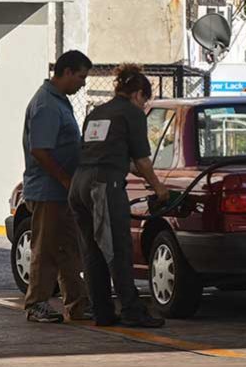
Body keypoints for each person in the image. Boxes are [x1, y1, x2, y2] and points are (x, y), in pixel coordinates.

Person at [69, 64, 168, 328]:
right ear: (137, 94)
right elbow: (142, 161)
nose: (143, 105)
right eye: (144, 100)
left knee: (92, 250)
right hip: (103, 185)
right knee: (117, 248)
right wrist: (159, 188)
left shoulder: (98, 112)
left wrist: (142, 172)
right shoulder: (132, 114)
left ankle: (102, 311)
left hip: (79, 184)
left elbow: (115, 156)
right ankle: (133, 311)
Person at [23, 50, 93, 323]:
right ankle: (36, 304)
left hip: (61, 192)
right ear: (66, 72)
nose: (83, 83)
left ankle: (77, 303)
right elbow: (40, 150)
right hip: (49, 191)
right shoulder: (47, 105)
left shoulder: (59, 102)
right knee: (47, 248)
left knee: (67, 248)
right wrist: (64, 179)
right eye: (81, 76)